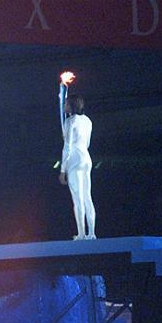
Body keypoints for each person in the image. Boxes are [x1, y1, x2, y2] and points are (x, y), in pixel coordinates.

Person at [60, 95, 95, 240]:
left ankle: (81, 234)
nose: (64, 106)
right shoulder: (88, 121)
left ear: (71, 106)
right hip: (86, 158)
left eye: (66, 104)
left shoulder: (70, 122)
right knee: (87, 197)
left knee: (78, 198)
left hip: (75, 160)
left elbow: (67, 148)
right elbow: (87, 143)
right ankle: (91, 233)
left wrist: (63, 170)